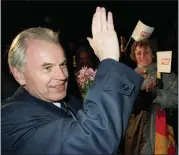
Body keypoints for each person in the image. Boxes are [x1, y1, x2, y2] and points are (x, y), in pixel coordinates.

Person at [2, 7, 143, 154]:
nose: (62, 76)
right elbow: (92, 143)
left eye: (62, 64)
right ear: (19, 75)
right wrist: (110, 62)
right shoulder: (8, 120)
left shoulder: (68, 101)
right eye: (47, 68)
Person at [121, 39, 178, 154]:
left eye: (146, 52)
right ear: (134, 56)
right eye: (139, 53)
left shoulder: (165, 74)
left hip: (159, 130)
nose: (142, 56)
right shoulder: (128, 77)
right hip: (134, 134)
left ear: (153, 54)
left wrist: (156, 94)